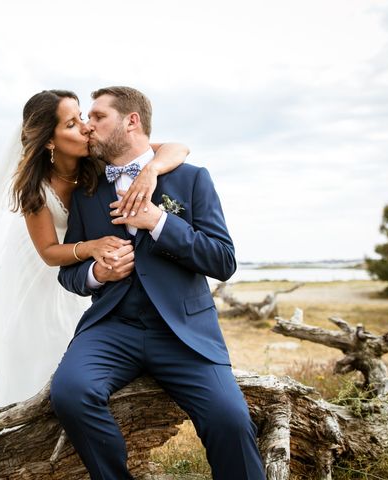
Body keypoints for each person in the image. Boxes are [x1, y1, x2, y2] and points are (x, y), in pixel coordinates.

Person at [0, 89, 188, 409]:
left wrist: (151, 171)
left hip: (79, 260)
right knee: (40, 337)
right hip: (38, 263)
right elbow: (47, 251)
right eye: (72, 124)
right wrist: (91, 247)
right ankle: (25, 408)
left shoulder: (99, 158)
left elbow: (178, 148)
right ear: (50, 140)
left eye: (83, 117)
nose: (86, 127)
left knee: (78, 332)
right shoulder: (35, 186)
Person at [51, 86, 265, 479]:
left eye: (98, 117)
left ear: (131, 121)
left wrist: (160, 222)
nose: (88, 126)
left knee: (231, 419)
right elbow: (69, 275)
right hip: (113, 328)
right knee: (68, 392)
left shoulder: (192, 179)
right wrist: (99, 273)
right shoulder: (87, 194)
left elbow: (223, 260)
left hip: (184, 332)